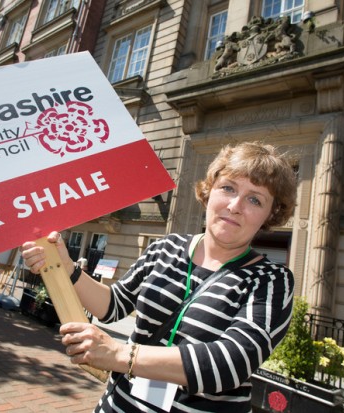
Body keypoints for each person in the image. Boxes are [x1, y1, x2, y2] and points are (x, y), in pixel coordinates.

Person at [20, 141, 298, 412]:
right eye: (228, 187)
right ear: (209, 191)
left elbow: (232, 362)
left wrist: (119, 355)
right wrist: (67, 267)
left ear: (270, 213)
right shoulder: (166, 248)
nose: (235, 205)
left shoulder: (271, 280)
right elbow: (113, 305)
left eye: (254, 199)